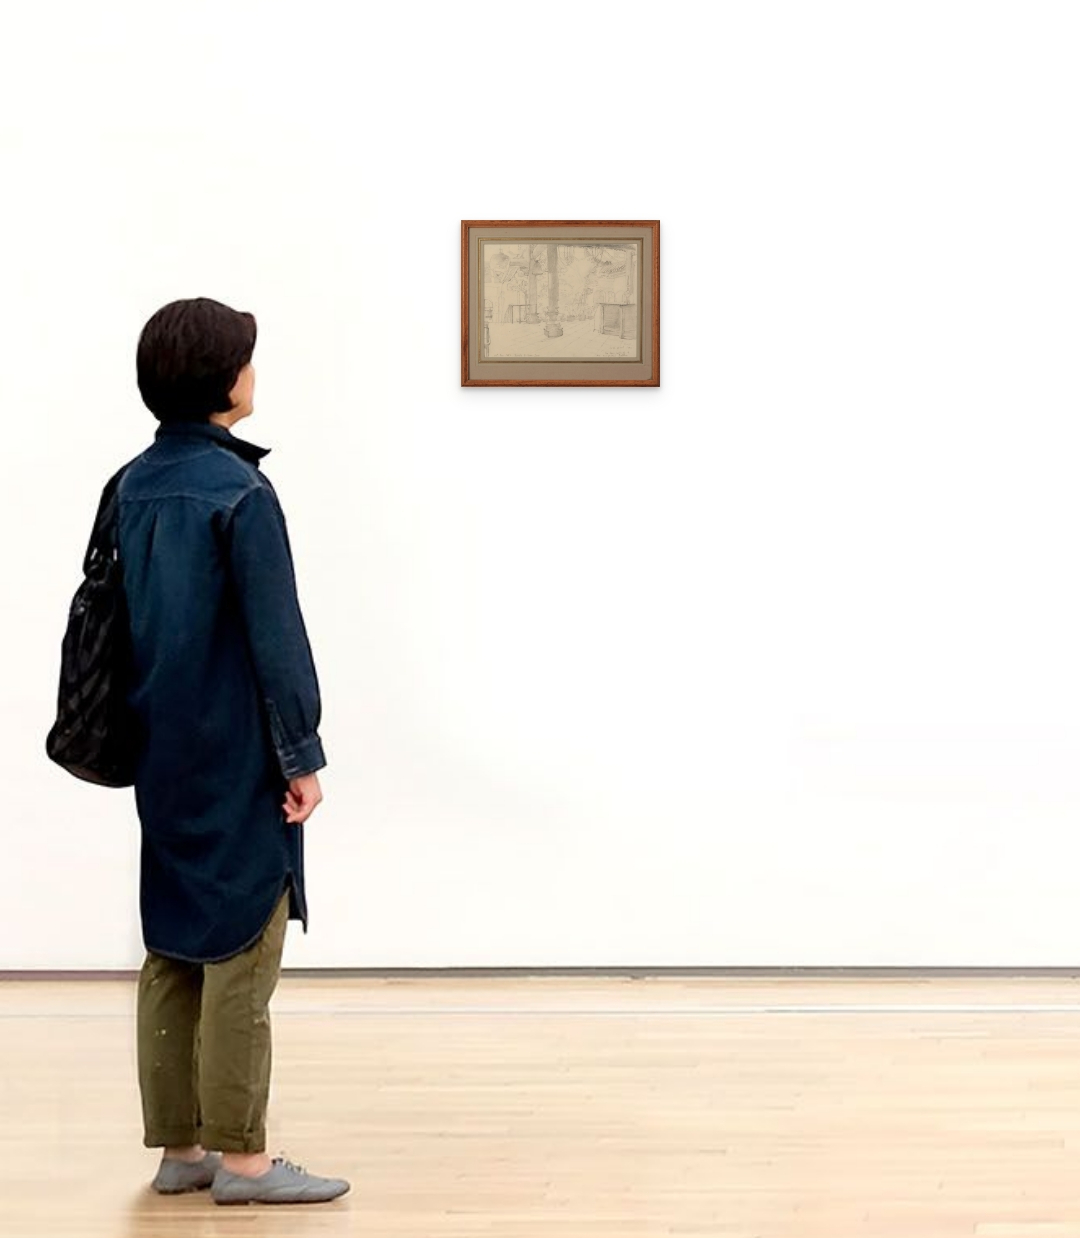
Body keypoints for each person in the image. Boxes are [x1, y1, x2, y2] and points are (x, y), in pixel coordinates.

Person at [117, 297, 349, 1205]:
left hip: (160, 746)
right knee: (243, 950)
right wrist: (301, 753)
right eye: (247, 360)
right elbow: (276, 639)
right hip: (239, 752)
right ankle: (245, 1161)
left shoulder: (129, 486)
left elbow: (104, 627)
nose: (255, 373)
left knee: (172, 944)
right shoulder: (241, 494)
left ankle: (179, 1150)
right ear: (223, 381)